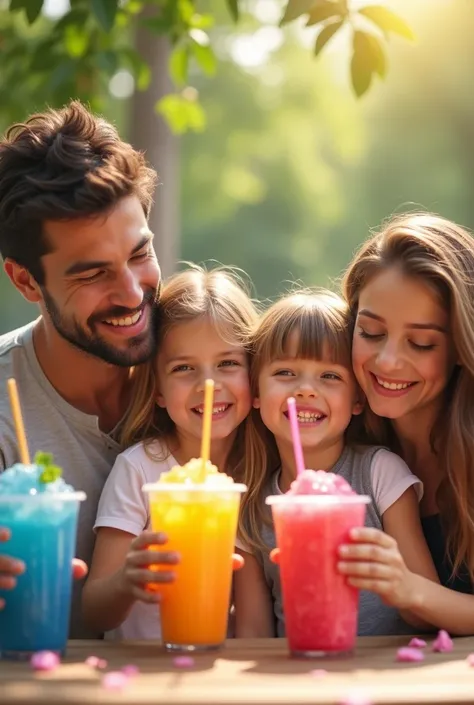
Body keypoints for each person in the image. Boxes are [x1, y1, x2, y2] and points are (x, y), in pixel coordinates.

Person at [0, 100, 161, 637]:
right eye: (93, 274)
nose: (133, 293)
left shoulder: (202, 375)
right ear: (26, 282)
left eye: (140, 254)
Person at [233, 289, 440, 638]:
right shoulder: (252, 506)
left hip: (387, 677)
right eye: (285, 372)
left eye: (330, 376)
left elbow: (424, 611)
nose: (306, 390)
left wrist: (388, 577)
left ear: (358, 398)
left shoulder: (379, 473)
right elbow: (254, 633)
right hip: (303, 679)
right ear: (255, 393)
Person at [82, 265, 258, 639]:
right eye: (183, 368)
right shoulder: (140, 469)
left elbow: (254, 627)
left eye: (228, 363)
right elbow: (95, 611)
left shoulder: (257, 474)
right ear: (158, 390)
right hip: (141, 676)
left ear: (253, 373)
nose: (208, 384)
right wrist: (127, 580)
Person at [338, 212, 474, 633]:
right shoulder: (340, 439)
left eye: (421, 342)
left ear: (460, 347)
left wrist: (409, 589)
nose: (388, 361)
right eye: (372, 333)